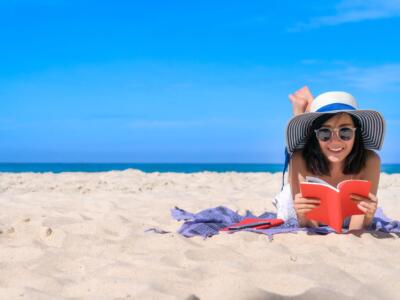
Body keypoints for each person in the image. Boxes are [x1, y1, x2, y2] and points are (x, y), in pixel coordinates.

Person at [275, 87, 385, 230]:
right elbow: (309, 225)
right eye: (324, 133)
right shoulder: (300, 158)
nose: (335, 141)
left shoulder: (370, 161)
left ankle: (310, 109)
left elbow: (357, 228)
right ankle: (299, 111)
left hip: (343, 218)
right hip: (299, 208)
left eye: (345, 131)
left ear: (357, 134)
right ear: (316, 136)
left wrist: (368, 216)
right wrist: (302, 214)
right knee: (296, 155)